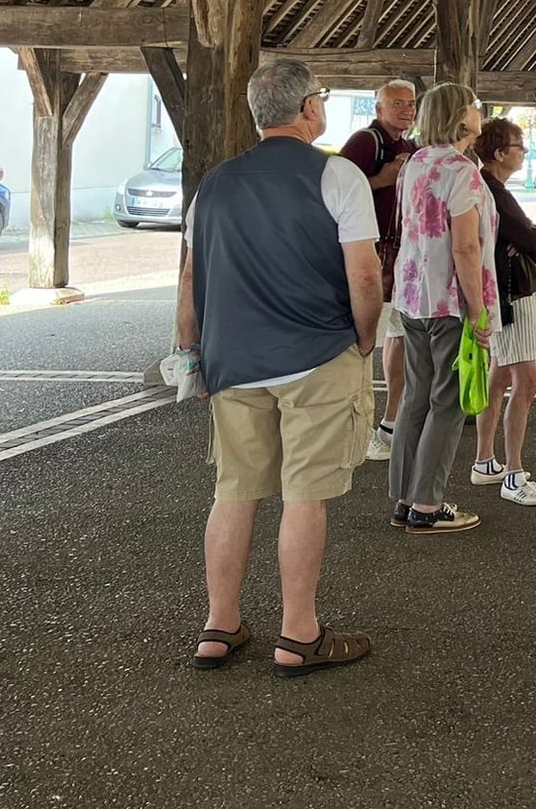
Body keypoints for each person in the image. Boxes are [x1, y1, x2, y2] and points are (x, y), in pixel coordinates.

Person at [177, 58, 380, 678]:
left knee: (234, 491)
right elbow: (365, 275)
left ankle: (221, 624)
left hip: (232, 360)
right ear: (308, 109)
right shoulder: (338, 175)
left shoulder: (213, 183)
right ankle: (298, 633)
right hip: (316, 353)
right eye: (320, 97)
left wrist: (191, 352)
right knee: (304, 494)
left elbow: (189, 280)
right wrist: (365, 342)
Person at [388, 83, 495, 535]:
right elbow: (466, 248)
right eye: (472, 105)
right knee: (448, 402)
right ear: (459, 117)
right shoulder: (462, 171)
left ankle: (404, 497)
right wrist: (478, 310)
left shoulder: (416, 162)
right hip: (450, 299)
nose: (478, 110)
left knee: (416, 395)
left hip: (411, 295)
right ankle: (429, 505)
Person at [471, 118, 536, 506]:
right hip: (515, 293)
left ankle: (485, 460)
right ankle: (514, 472)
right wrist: (532, 237)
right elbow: (532, 240)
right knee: (527, 380)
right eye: (519, 145)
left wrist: (531, 235)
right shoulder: (497, 192)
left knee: (499, 374)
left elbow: (529, 235)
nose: (523, 150)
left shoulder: (484, 187)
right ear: (501, 153)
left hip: (496, 292)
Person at [338, 79, 417, 462]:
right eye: (397, 103)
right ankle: (361, 428)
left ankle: (389, 419)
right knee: (364, 338)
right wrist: (381, 180)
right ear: (379, 108)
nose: (406, 110)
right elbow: (337, 193)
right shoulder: (365, 143)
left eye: (411, 104)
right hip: (372, 253)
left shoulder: (409, 147)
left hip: (401, 254)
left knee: (397, 335)